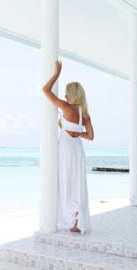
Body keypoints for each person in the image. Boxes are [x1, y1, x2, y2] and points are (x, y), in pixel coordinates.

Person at [42, 60, 94, 234]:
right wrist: (77, 132)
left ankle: (69, 218)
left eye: (66, 92)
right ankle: (76, 220)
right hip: (77, 149)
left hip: (65, 149)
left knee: (65, 183)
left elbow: (45, 91)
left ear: (72, 94)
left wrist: (57, 74)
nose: (64, 96)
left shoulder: (66, 107)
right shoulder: (84, 113)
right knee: (77, 183)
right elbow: (91, 136)